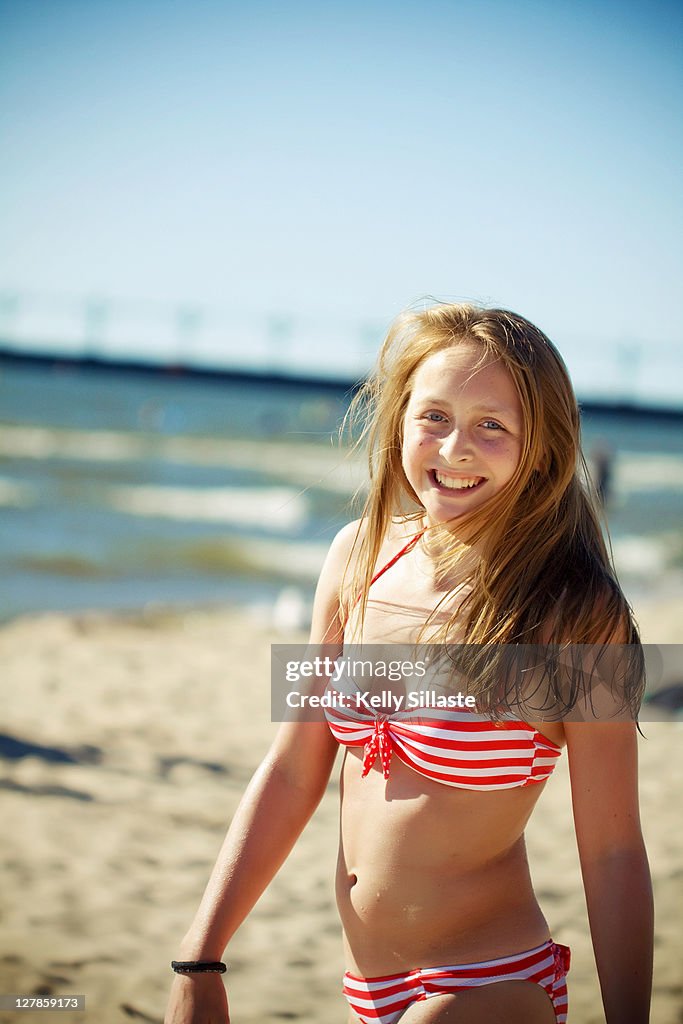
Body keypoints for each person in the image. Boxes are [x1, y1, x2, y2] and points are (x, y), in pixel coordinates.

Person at [164, 303, 653, 1023]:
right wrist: (198, 959)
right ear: (398, 422)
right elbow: (294, 766)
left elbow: (612, 850)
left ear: (541, 449)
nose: (454, 447)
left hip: (487, 983)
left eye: (492, 425)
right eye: (433, 416)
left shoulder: (575, 614)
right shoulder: (354, 557)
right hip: (365, 989)